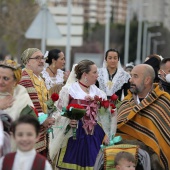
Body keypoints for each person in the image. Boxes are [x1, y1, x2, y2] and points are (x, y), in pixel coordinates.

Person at [50, 60, 116, 170]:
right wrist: (68, 121)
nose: (97, 75)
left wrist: (108, 134)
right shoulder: (69, 90)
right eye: (94, 72)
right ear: (85, 75)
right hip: (74, 136)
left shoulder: (99, 93)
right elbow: (58, 112)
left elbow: (107, 117)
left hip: (95, 137)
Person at [116, 64, 170, 170]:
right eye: (131, 76)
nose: (130, 80)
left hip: (154, 162)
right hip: (126, 160)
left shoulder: (164, 101)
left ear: (147, 80)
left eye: (135, 76)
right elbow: (117, 131)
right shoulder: (126, 103)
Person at [19, 48, 55, 156]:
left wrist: (50, 116)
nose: (41, 61)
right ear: (27, 61)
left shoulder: (40, 78)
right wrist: (42, 119)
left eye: (42, 58)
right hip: (29, 127)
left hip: (42, 128)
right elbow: (28, 105)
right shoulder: (24, 77)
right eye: (37, 58)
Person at [0, 59, 34, 151]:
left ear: (15, 81)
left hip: (13, 149)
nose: (0, 81)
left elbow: (30, 124)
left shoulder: (22, 97)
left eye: (5, 78)